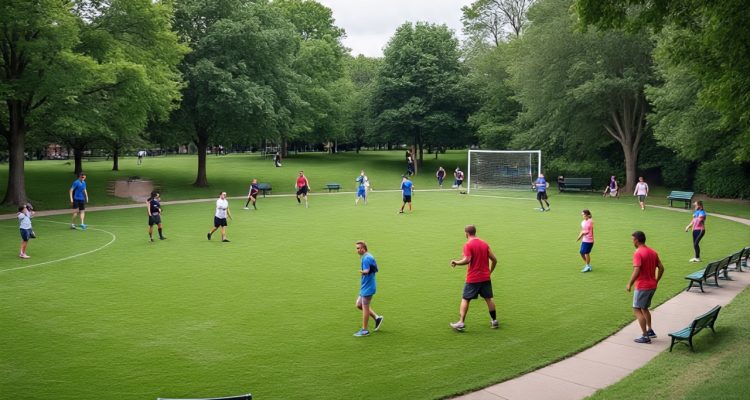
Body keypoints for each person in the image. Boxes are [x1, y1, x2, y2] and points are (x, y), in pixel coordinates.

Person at [449, 225, 499, 331]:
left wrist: (456, 262)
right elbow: (494, 260)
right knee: (489, 298)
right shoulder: (484, 243)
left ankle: (461, 322)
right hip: (485, 277)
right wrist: (489, 272)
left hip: (473, 278)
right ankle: (494, 321)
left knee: (465, 299)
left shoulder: (468, 245)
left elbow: (467, 260)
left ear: (466, 233)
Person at [627, 230, 664, 344]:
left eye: (632, 239)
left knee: (637, 309)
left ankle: (645, 336)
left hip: (642, 286)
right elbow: (661, 268)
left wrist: (630, 283)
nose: (632, 241)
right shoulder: (653, 252)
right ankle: (650, 330)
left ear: (637, 240)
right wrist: (656, 280)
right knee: (644, 308)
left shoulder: (638, 253)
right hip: (652, 285)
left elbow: (637, 270)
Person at [353, 241, 384, 337]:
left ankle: (364, 330)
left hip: (368, 287)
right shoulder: (368, 256)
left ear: (364, 248)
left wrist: (363, 272)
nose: (358, 250)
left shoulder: (366, 258)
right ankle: (377, 318)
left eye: (359, 248)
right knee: (359, 305)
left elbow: (366, 271)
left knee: (365, 307)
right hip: (366, 285)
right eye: (357, 248)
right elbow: (376, 269)